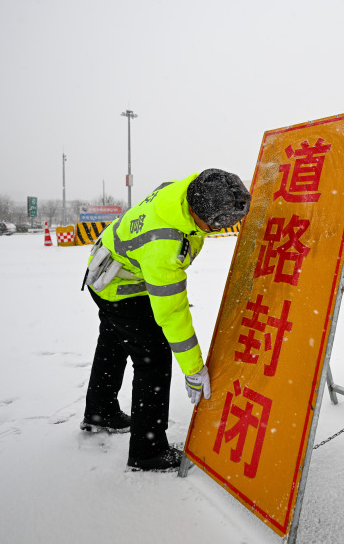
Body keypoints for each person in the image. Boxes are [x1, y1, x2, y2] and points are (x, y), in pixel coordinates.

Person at [79, 169, 250, 471]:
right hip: (122, 287)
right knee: (153, 359)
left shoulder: (188, 190)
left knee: (113, 341)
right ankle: (148, 451)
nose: (217, 229)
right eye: (214, 224)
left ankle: (100, 411)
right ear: (200, 214)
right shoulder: (165, 244)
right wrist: (194, 369)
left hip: (105, 270)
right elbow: (172, 313)